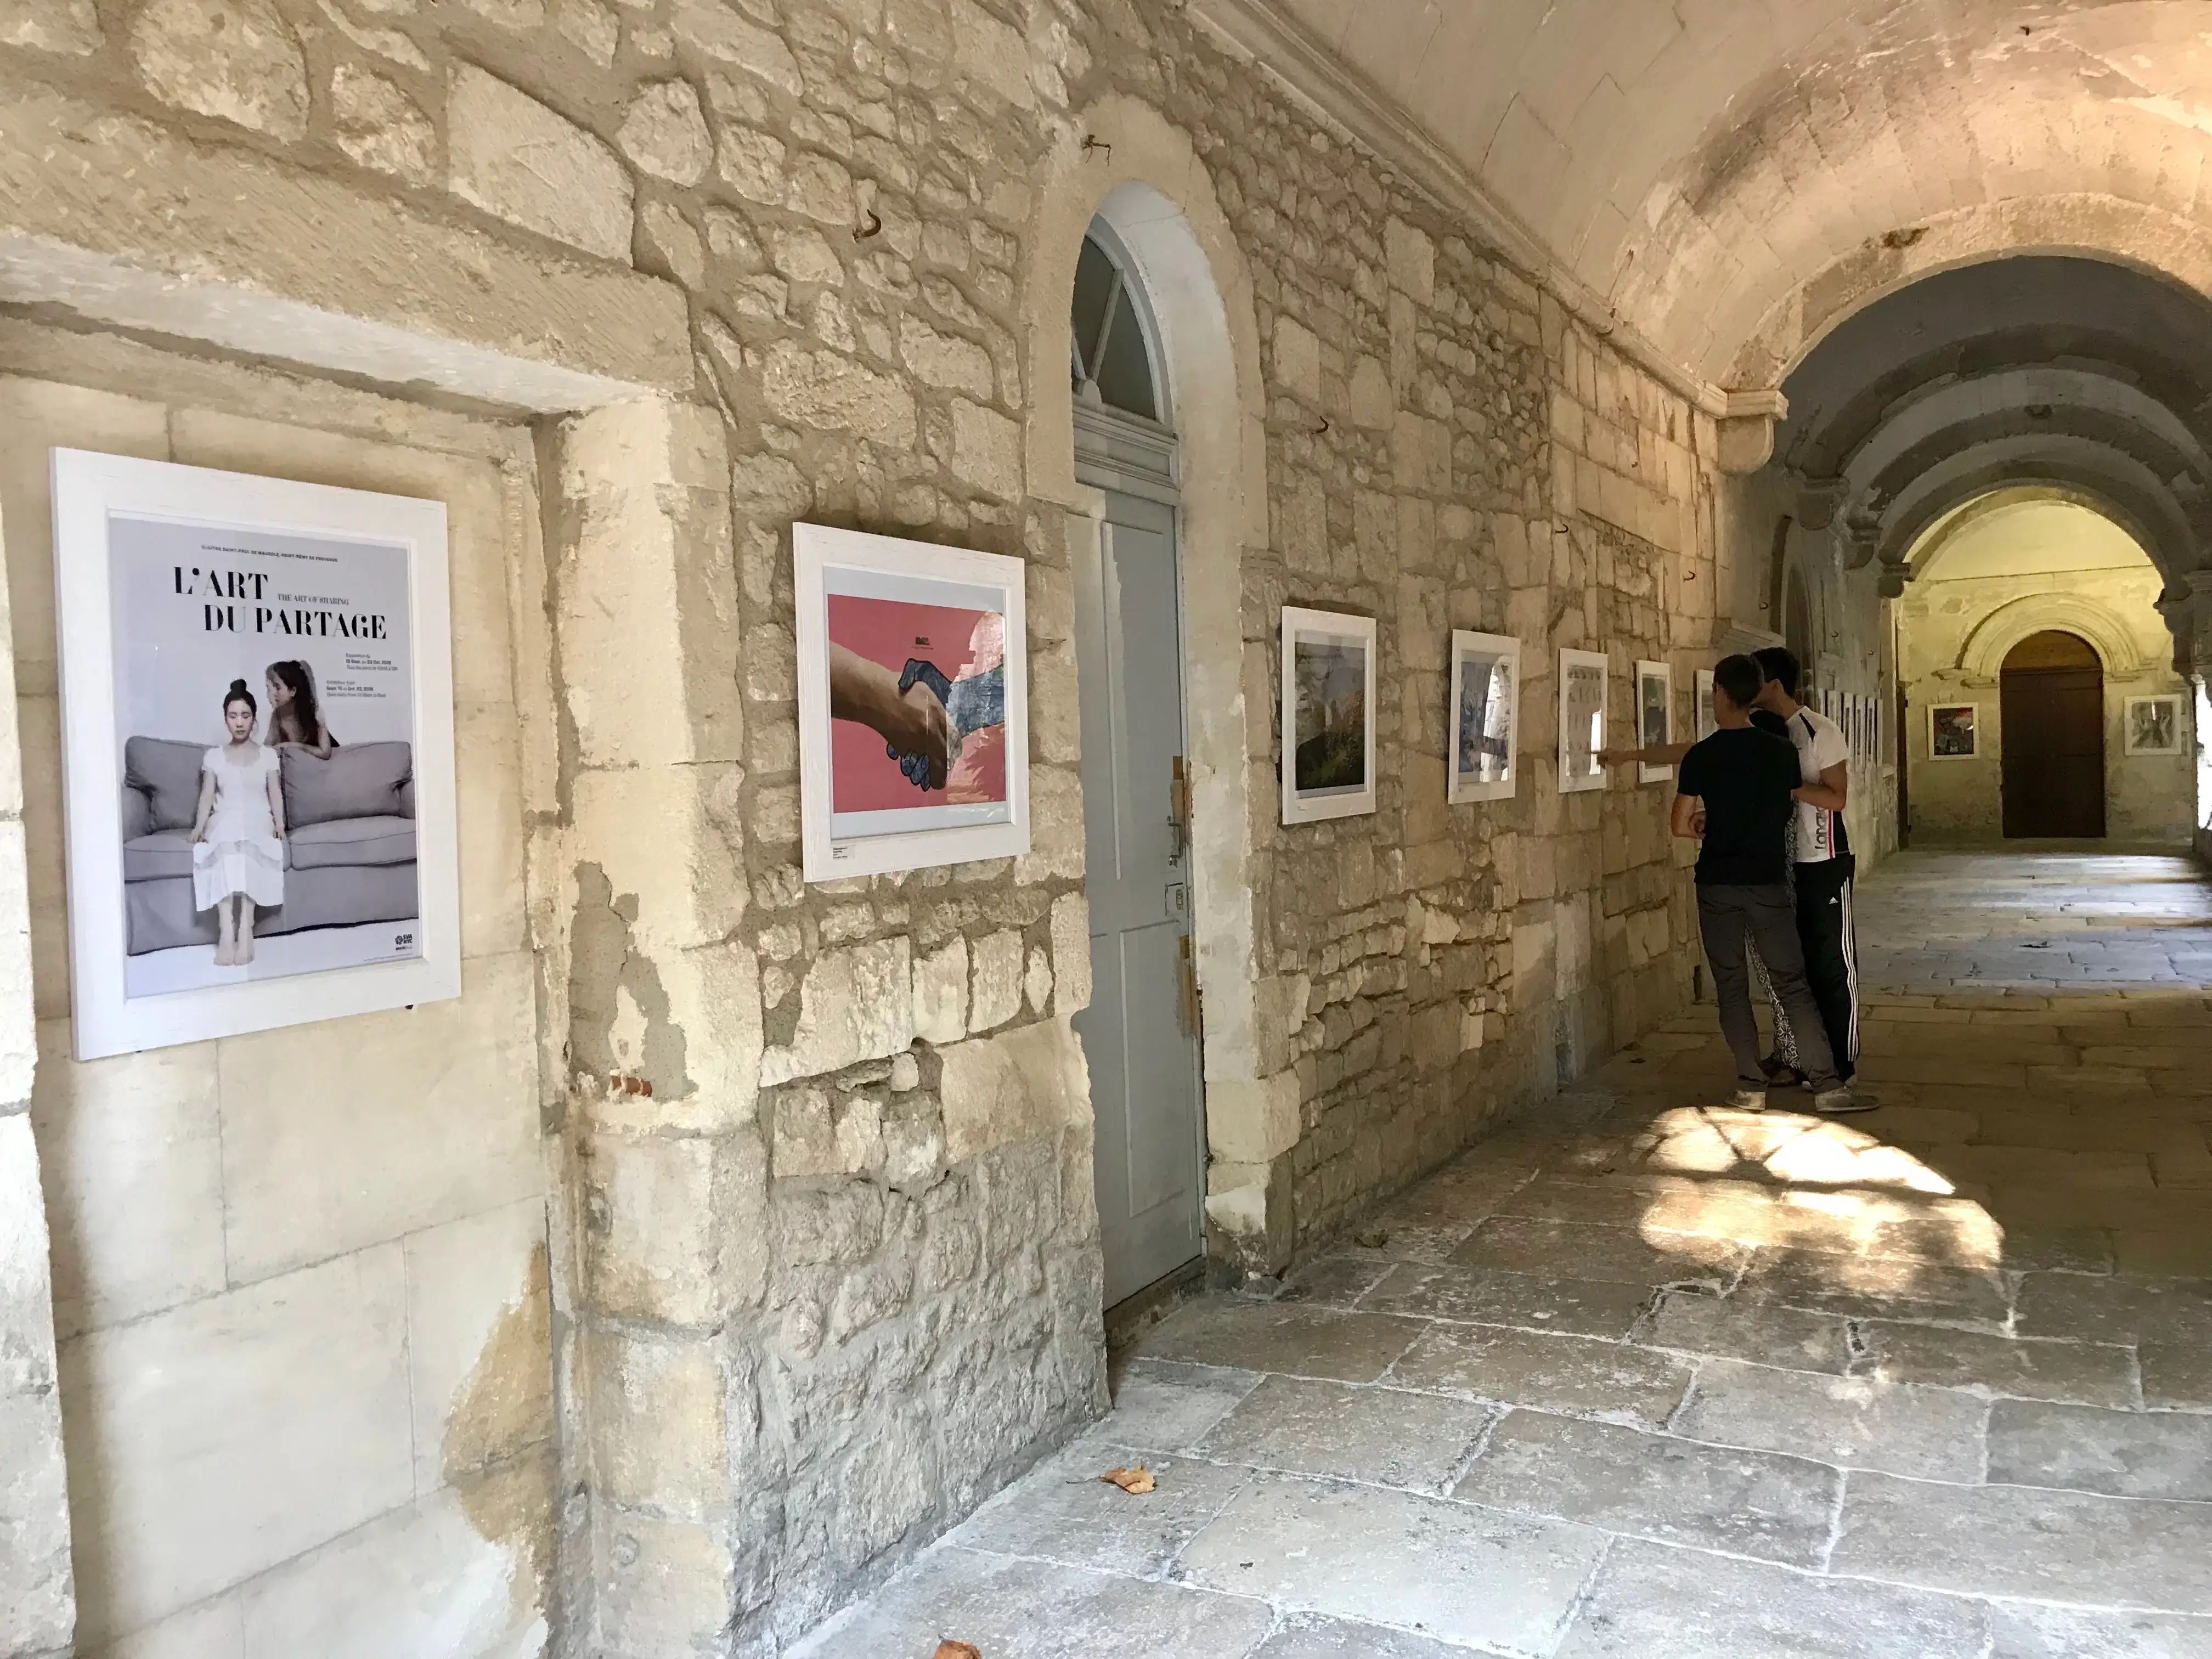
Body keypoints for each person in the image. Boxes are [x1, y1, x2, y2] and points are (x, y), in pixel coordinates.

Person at [1674, 655, 1854, 1113]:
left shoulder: (1702, 755)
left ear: (1719, 694)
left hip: (1717, 884)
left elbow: (1680, 825)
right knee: (1792, 983)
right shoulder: (1782, 754)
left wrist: (1706, 823)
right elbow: (1774, 805)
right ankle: (1828, 1084)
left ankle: (1751, 1087)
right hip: (1769, 882)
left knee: (1732, 986)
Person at [1750, 646, 1860, 1091]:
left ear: (1773, 684)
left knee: (1832, 966)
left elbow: (1836, 798)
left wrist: (1789, 785)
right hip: (1786, 867)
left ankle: (1842, 1065)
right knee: (1794, 968)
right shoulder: (1767, 731)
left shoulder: (1819, 731)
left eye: (1754, 679)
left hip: (1824, 862)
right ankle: (1799, 1057)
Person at [190, 679, 287, 967]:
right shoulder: (214, 757)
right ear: (226, 719)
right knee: (226, 839)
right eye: (233, 716)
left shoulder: (269, 756)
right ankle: (226, 930)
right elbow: (207, 797)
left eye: (246, 716)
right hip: (224, 819)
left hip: (257, 818)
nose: (240, 723)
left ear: (254, 719)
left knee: (247, 842)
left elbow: (275, 795)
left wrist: (280, 825)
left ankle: (246, 927)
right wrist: (198, 827)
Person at [264, 660, 337, 757]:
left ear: (293, 691)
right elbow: (268, 746)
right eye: (270, 688)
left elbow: (325, 753)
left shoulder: (314, 712)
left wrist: (294, 745)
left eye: (278, 688)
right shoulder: (278, 715)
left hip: (334, 762)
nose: (272, 693)